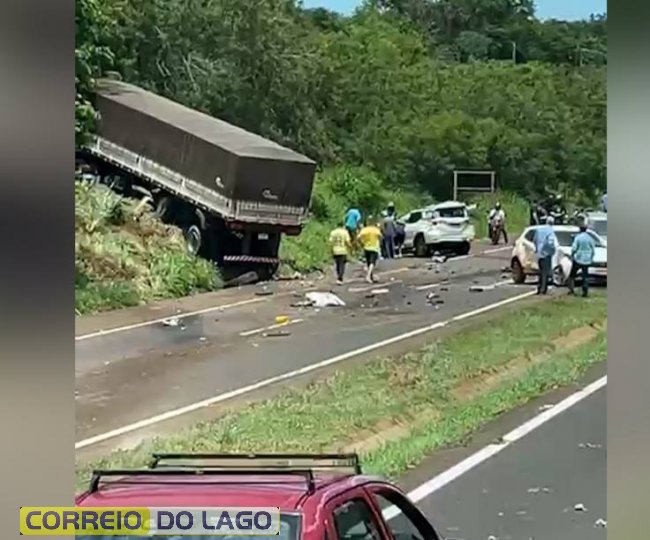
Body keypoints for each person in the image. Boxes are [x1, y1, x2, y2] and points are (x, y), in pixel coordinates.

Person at [568, 223, 596, 297]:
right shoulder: (590, 238)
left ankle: (571, 290)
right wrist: (591, 258)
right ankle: (585, 292)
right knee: (585, 276)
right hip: (587, 260)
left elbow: (574, 248)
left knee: (572, 275)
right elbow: (593, 249)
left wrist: (572, 255)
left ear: (579, 230)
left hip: (578, 258)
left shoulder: (578, 238)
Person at [534, 216, 558, 295]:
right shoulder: (550, 231)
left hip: (539, 253)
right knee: (545, 272)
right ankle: (543, 289)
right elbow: (550, 242)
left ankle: (539, 287)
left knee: (540, 272)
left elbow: (535, 240)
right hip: (546, 254)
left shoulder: (539, 230)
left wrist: (537, 249)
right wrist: (552, 250)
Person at [357, 217, 383, 283]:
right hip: (374, 248)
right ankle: (368, 276)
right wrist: (380, 243)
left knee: (369, 263)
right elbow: (381, 237)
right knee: (372, 263)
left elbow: (358, 238)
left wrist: (361, 243)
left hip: (366, 248)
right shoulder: (375, 230)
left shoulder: (364, 230)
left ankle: (371, 276)